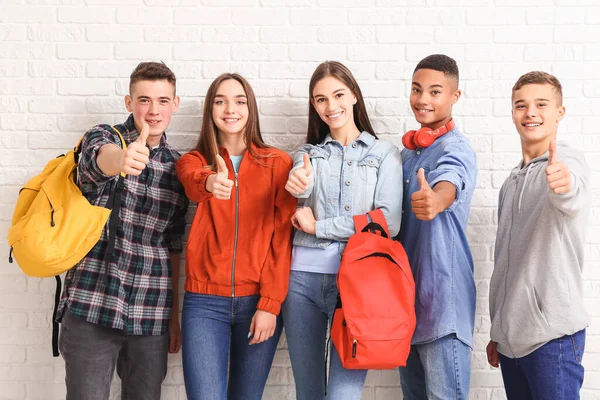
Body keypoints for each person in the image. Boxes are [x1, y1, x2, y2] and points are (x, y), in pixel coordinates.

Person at [56, 61, 189, 400]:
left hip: (152, 312)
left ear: (175, 104)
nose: (153, 111)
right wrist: (121, 160)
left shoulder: (178, 166)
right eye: (144, 100)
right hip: (92, 304)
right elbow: (98, 161)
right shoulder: (103, 137)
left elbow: (174, 244)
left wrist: (173, 317)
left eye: (162, 101)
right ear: (129, 103)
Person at [281, 60, 403, 400]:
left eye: (338, 95)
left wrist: (320, 226)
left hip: (359, 284)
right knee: (309, 392)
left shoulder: (384, 154)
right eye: (320, 99)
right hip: (301, 283)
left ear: (353, 97)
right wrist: (297, 186)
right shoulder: (307, 155)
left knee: (342, 395)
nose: (330, 106)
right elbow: (297, 196)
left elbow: (388, 221)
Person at [176, 73, 297, 400]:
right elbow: (192, 179)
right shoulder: (195, 161)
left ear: (251, 108)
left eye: (239, 101)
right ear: (210, 110)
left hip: (257, 303)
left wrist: (270, 305)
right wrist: (211, 183)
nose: (230, 109)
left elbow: (281, 240)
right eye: (220, 101)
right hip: (203, 304)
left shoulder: (277, 164)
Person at [486, 71, 591, 400]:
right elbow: (507, 263)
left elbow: (570, 193)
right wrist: (499, 331)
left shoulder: (568, 162)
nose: (530, 112)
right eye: (521, 105)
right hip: (510, 345)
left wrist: (564, 183)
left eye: (541, 104)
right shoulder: (509, 183)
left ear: (559, 112)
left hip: (552, 340)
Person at [396, 54, 477, 400]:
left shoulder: (456, 147)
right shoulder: (407, 155)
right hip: (406, 308)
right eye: (417, 90)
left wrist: (437, 200)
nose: (423, 99)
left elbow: (451, 179)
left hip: (443, 308)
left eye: (434, 91)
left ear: (454, 97)